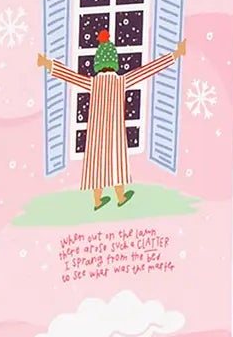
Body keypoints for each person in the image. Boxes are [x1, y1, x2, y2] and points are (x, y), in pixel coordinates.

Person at [38, 31, 186, 210]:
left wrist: (47, 63)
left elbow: (69, 75)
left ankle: (97, 200)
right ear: (114, 63)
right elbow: (147, 70)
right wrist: (175, 55)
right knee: (117, 162)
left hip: (96, 131)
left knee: (96, 163)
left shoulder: (93, 83)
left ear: (98, 64)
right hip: (115, 131)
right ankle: (120, 197)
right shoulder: (121, 81)